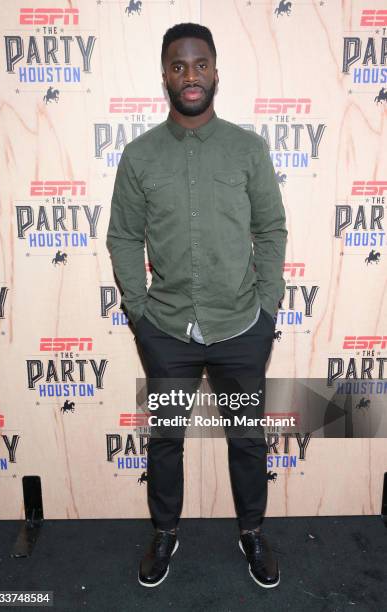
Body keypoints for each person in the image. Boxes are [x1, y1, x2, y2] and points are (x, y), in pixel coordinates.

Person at [106, 22, 287, 589]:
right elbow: (122, 238)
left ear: (215, 70)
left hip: (241, 326)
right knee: (164, 440)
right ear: (164, 75)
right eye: (179, 66)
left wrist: (268, 308)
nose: (190, 76)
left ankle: (252, 532)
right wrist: (139, 311)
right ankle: (164, 533)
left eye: (200, 64)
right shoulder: (139, 157)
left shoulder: (247, 149)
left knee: (246, 438)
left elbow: (272, 229)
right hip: (165, 329)